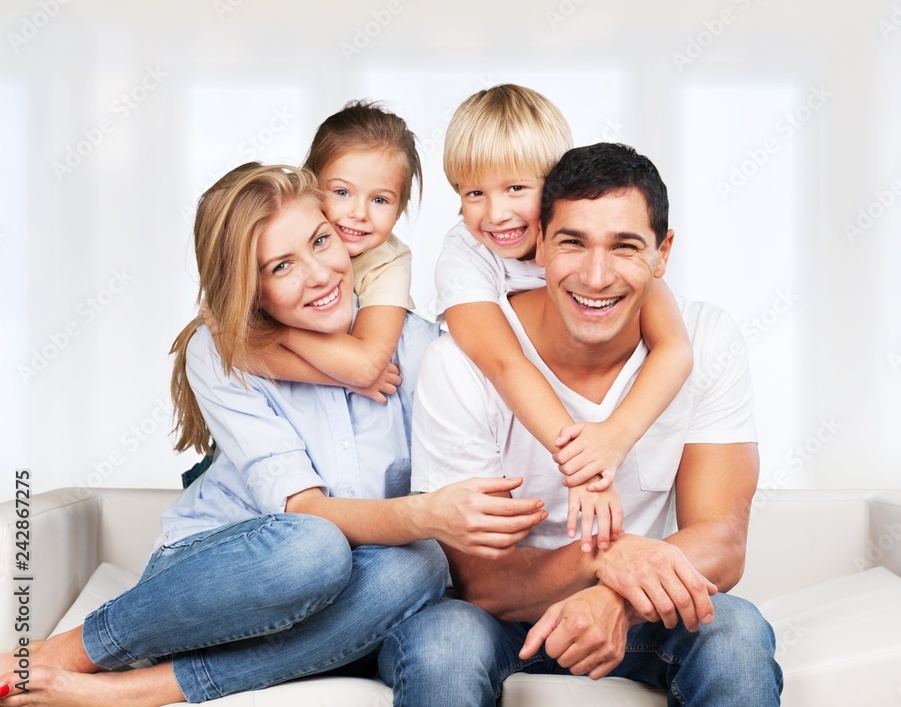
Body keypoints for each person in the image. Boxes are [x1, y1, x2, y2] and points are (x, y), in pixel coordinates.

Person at [0, 164, 546, 706]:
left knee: (421, 565)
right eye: (282, 266)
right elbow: (305, 512)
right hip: (224, 578)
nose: (321, 275)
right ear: (250, 289)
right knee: (313, 546)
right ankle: (72, 652)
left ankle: (137, 692)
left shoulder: (420, 347)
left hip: (357, 600)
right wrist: (424, 514)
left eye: (321, 241)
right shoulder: (221, 354)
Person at [379, 143, 783, 706]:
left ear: (663, 253)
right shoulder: (460, 362)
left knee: (734, 632)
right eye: (573, 242)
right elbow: (482, 583)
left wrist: (614, 597)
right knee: (443, 641)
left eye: (625, 247)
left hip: (637, 608)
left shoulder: (706, 338)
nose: (596, 276)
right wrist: (599, 557)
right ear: (539, 242)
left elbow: (723, 541)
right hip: (502, 618)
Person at [435, 85, 694, 551]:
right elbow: (503, 363)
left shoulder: (602, 245)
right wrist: (581, 467)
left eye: (516, 188)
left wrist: (613, 439)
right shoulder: (466, 254)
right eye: (473, 192)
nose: (496, 214)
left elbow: (674, 349)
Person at [203, 100, 422, 402]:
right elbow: (238, 353)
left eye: (380, 200)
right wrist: (344, 381)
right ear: (312, 186)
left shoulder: (389, 263)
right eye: (342, 192)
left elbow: (366, 366)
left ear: (399, 210)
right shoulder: (279, 227)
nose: (359, 213)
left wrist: (273, 330)